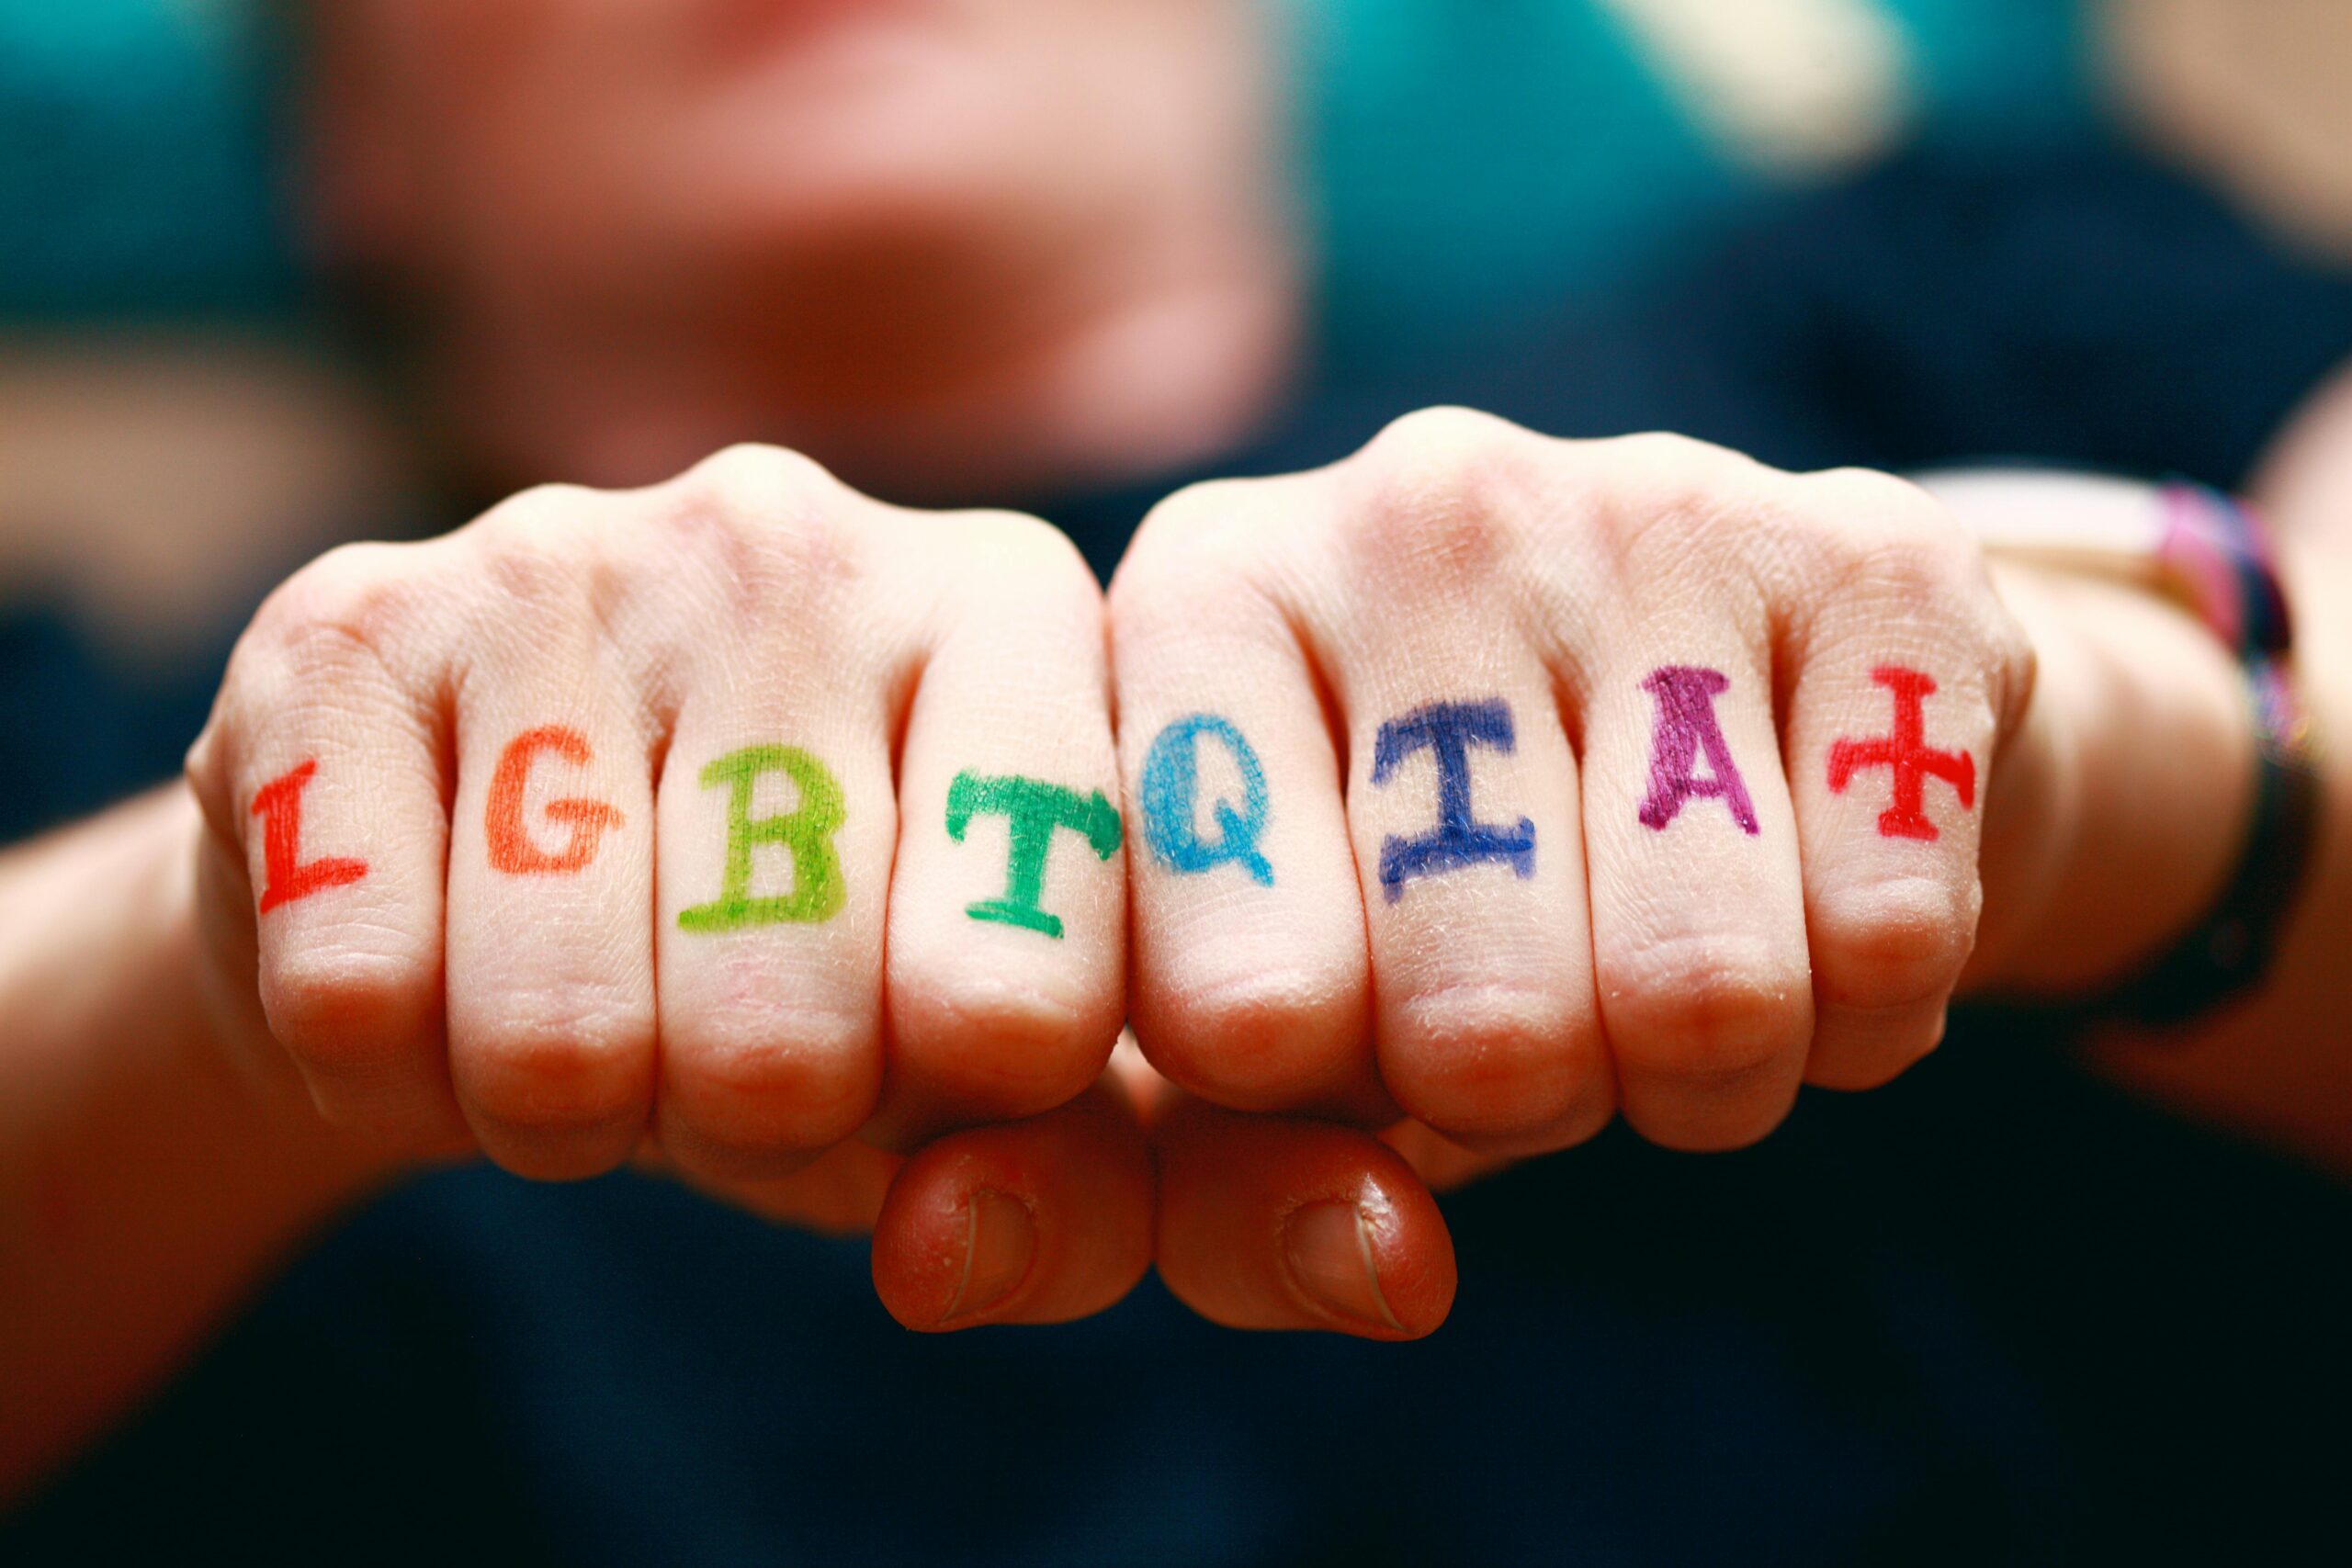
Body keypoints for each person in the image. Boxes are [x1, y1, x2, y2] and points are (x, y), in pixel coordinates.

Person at [6, 2, 2352, 1560]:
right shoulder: (136, 749)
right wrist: (217, 972)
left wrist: (2078, 773)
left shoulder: (1941, 284)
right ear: (351, 152)